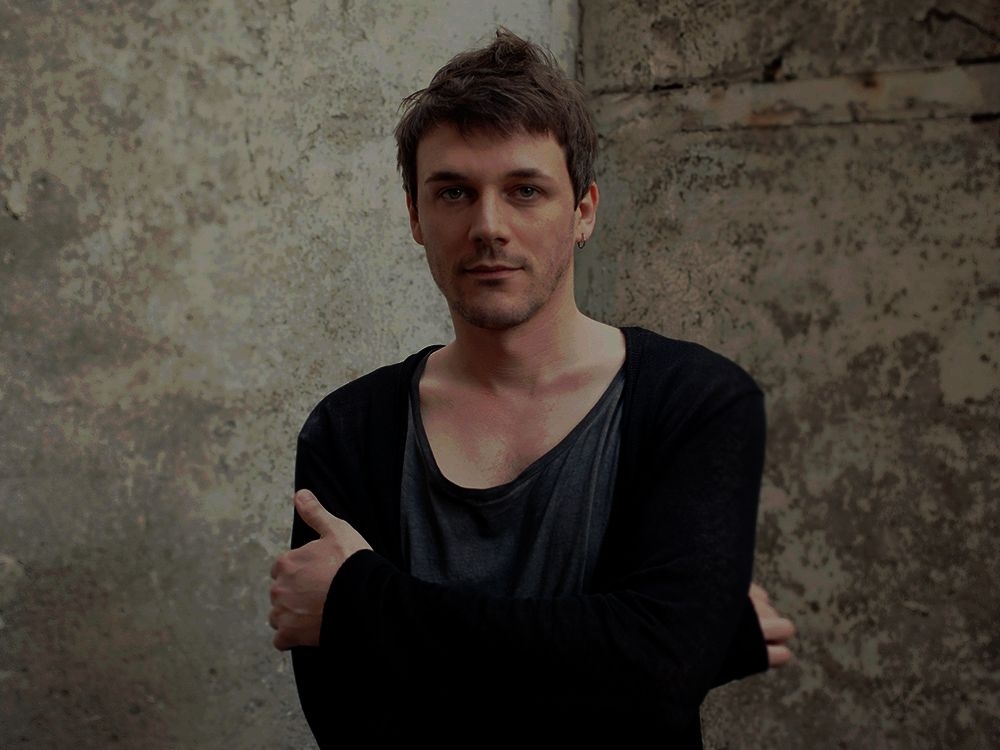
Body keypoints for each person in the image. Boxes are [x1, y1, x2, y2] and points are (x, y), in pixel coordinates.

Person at [268, 27, 795, 747]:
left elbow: (659, 673)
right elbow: (355, 723)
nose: (489, 226)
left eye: (524, 190)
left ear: (583, 211)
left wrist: (362, 601)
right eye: (454, 192)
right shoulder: (350, 429)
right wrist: (663, 649)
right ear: (416, 216)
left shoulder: (695, 402)